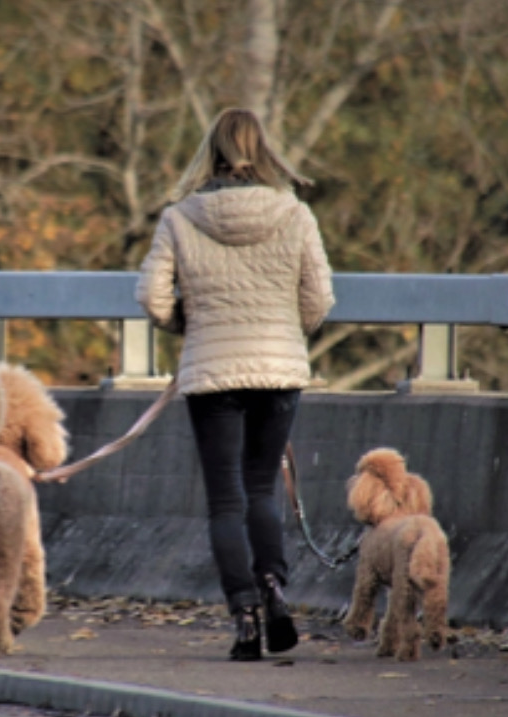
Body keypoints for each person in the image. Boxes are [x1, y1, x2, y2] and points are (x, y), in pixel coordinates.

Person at [135, 108, 335, 661]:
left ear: (211, 152)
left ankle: (245, 617)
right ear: (264, 151)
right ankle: (275, 587)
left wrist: (190, 324)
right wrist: (283, 327)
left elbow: (151, 299)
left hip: (213, 372)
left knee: (225, 498)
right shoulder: (294, 214)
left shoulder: (180, 217)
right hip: (277, 369)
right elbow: (319, 301)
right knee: (261, 487)